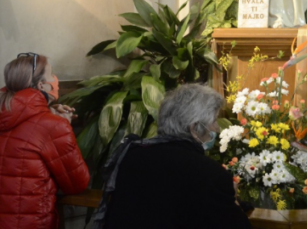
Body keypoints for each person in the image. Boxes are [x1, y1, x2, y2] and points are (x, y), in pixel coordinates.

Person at [102, 83, 252, 229]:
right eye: (214, 121)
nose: (217, 128)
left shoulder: (131, 155)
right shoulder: (209, 174)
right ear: (194, 129)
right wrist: (233, 200)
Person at [0, 53, 89, 229]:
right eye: (51, 74)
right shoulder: (53, 126)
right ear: (41, 85)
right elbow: (77, 184)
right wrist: (61, 126)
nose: (55, 79)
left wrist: (49, 113)